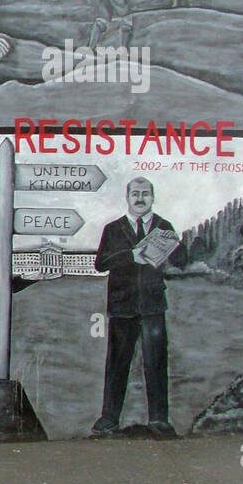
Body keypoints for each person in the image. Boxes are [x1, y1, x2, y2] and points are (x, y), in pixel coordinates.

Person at [91, 177, 188, 438]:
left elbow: (182, 261)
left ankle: (159, 419)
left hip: (153, 306)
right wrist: (130, 256)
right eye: (136, 193)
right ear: (127, 197)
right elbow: (100, 264)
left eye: (145, 193)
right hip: (122, 306)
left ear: (153, 197)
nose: (140, 198)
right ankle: (109, 419)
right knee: (117, 363)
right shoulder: (113, 229)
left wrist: (175, 245)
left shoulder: (163, 226)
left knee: (156, 363)